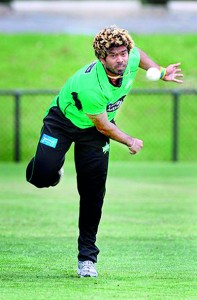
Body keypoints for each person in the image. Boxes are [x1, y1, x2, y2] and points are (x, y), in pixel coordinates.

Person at [26, 25, 183, 278]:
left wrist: (161, 71)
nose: (121, 58)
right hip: (64, 123)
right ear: (101, 58)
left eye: (123, 52)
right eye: (114, 55)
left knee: (93, 193)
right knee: (40, 176)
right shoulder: (92, 85)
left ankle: (86, 259)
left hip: (94, 133)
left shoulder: (130, 57)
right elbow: (104, 125)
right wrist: (130, 140)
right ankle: (53, 168)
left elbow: (139, 54)